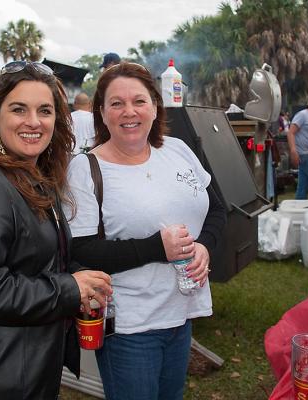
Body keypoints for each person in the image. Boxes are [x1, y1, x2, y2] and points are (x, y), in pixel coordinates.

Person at [0, 61, 112, 400]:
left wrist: (81, 279)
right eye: (18, 109)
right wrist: (68, 289)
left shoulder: (33, 179)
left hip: (28, 365)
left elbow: (36, 261)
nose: (33, 121)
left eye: (45, 110)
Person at [64, 62, 226, 400]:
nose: (129, 112)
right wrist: (157, 248)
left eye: (139, 101)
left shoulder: (178, 150)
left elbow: (216, 209)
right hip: (129, 328)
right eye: (116, 103)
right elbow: (81, 251)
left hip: (181, 317)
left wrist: (206, 247)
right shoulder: (86, 169)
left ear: (155, 106)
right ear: (102, 113)